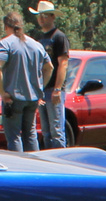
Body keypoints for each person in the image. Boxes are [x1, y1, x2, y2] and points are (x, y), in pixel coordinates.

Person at [0, 11, 51, 152]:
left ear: (6, 27)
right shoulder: (36, 45)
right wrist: (40, 88)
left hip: (13, 98)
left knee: (14, 136)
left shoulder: (6, 43)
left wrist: (2, 92)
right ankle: (34, 167)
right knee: (30, 134)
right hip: (32, 98)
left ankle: (18, 167)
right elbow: (49, 67)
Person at [28, 1, 69, 148]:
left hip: (53, 90)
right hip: (41, 89)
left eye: (44, 16)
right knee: (45, 131)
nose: (41, 19)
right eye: (39, 16)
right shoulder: (38, 38)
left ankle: (60, 165)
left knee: (57, 130)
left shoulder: (59, 37)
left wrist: (58, 89)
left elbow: (63, 64)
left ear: (53, 17)